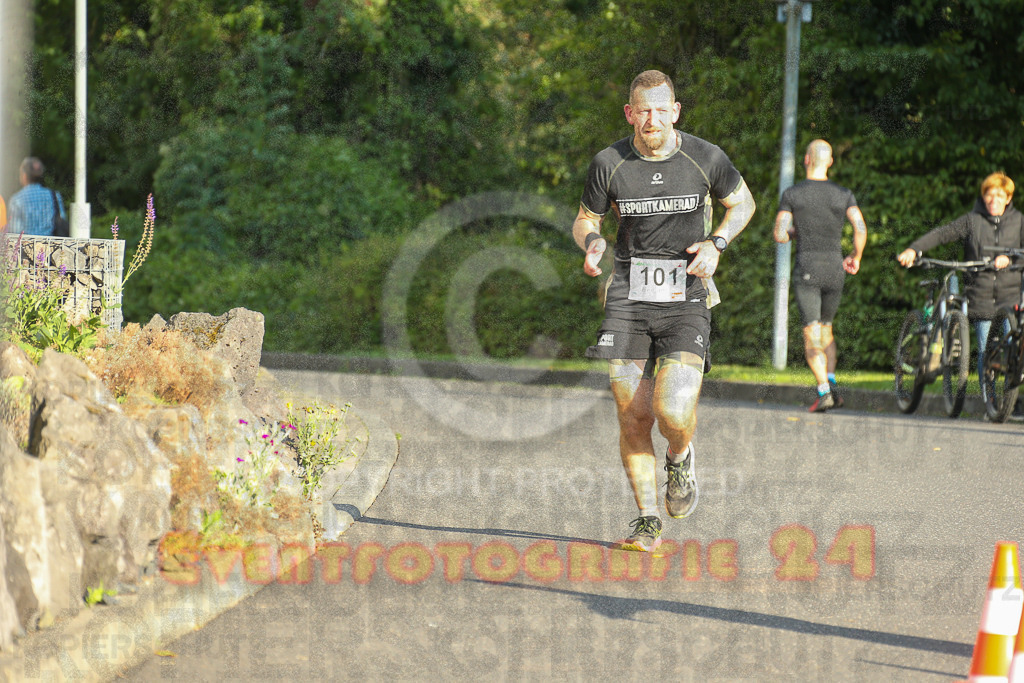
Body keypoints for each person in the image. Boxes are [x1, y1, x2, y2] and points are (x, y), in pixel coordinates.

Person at [574, 70, 756, 552]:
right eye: (642, 111)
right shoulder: (609, 162)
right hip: (628, 300)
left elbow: (744, 203)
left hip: (686, 300)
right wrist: (591, 242)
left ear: (675, 112)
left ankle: (680, 453)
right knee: (632, 414)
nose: (651, 119)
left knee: (671, 410)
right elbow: (585, 218)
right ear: (630, 113)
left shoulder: (706, 157)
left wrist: (718, 243)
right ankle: (647, 519)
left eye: (661, 110)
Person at [897, 172, 1023, 400]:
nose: (993, 200)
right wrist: (914, 249)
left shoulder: (1019, 222)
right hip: (981, 297)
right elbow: (943, 234)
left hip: (1010, 298)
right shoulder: (971, 221)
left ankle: (1010, 401)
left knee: (1014, 350)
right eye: (988, 195)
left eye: (998, 195)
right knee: (986, 352)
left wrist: (1010, 260)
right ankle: (990, 401)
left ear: (1008, 198)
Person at [773, 139, 867, 412]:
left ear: (806, 159)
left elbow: (780, 234)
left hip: (808, 270)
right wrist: (855, 256)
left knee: (812, 333)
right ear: (830, 162)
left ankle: (824, 391)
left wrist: (794, 232)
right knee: (827, 329)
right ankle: (832, 383)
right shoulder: (843, 194)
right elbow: (860, 227)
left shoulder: (793, 194)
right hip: (836, 270)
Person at [6, 157, 66, 236]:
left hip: (26, 247)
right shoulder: (54, 196)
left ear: (24, 175)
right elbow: (62, 221)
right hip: (51, 246)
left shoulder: (16, 200)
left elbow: (14, 233)